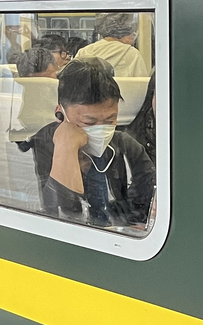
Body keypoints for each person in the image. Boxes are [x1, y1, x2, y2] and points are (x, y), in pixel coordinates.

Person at [36, 58, 155, 228]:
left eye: (109, 120)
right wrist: (66, 149)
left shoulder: (125, 146)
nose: (101, 130)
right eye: (89, 122)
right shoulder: (42, 144)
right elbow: (57, 213)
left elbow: (147, 201)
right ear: (61, 113)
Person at [76, 14, 150, 80]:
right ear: (122, 32)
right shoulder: (133, 54)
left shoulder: (83, 52)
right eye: (131, 31)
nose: (134, 36)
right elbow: (142, 86)